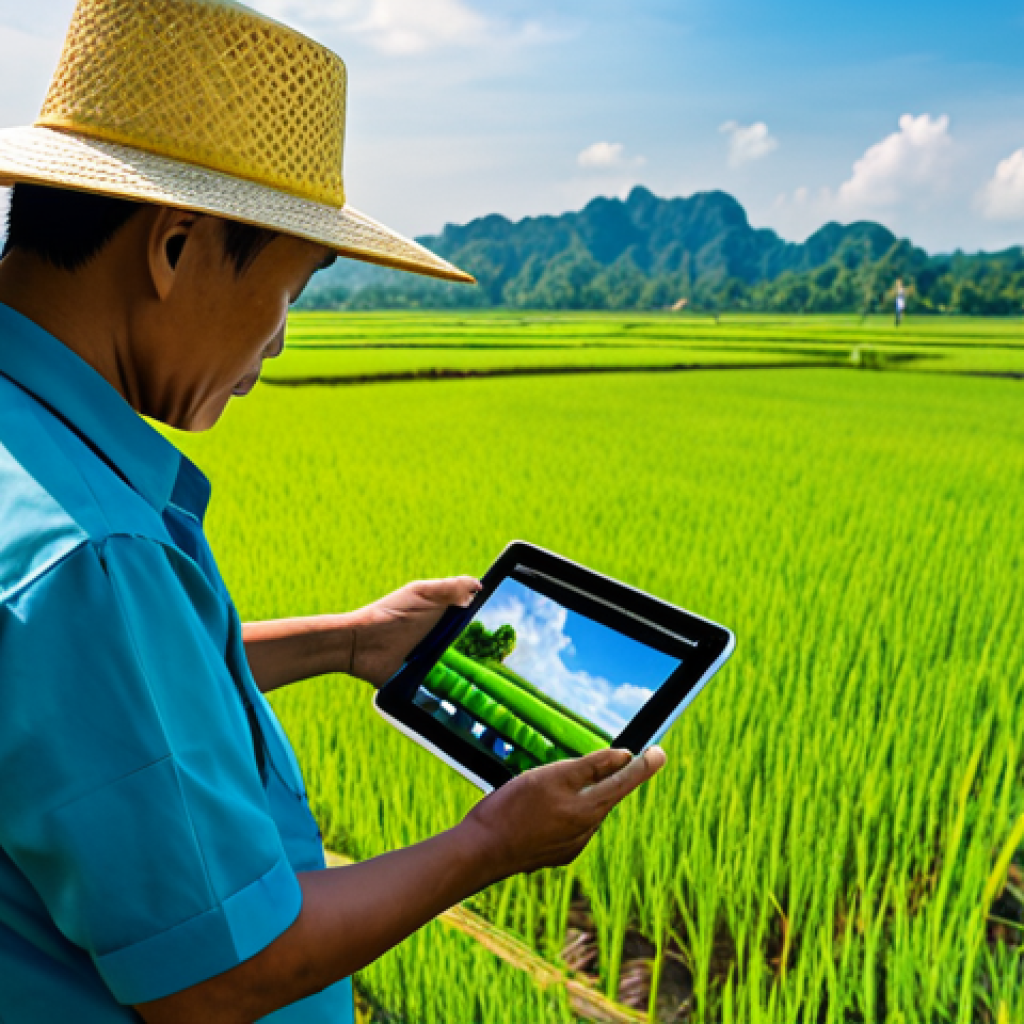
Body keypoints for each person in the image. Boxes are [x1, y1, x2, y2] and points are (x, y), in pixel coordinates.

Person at [0, 1, 665, 1022]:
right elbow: (218, 975)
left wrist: (347, 642)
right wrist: (491, 841)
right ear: (173, 248)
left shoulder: (29, 458)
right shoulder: (96, 555)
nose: (277, 340)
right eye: (292, 287)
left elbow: (73, 707)